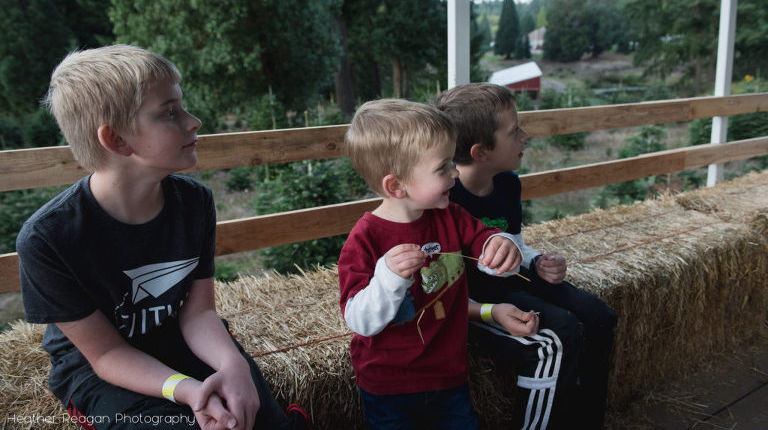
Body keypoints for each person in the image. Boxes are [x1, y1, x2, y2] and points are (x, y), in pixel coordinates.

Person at [16, 45, 310, 430]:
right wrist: (187, 390)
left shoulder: (194, 202)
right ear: (118, 140)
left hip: (179, 340)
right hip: (100, 373)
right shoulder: (47, 238)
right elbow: (105, 354)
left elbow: (199, 312)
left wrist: (234, 364)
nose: (194, 121)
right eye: (170, 113)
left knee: (255, 416)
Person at [338, 98, 538, 430]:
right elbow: (358, 319)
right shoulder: (365, 239)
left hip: (449, 377)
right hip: (389, 387)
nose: (455, 173)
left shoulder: (450, 215)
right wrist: (388, 278)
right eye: (442, 167)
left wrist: (497, 244)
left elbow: (481, 237)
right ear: (397, 185)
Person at [435, 83, 618, 430]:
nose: (525, 135)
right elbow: (444, 283)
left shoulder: (507, 184)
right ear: (480, 152)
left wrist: (537, 261)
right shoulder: (447, 198)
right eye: (513, 130)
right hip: (477, 299)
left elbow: (514, 243)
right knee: (563, 329)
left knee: (598, 316)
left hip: (509, 281)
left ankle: (587, 417)